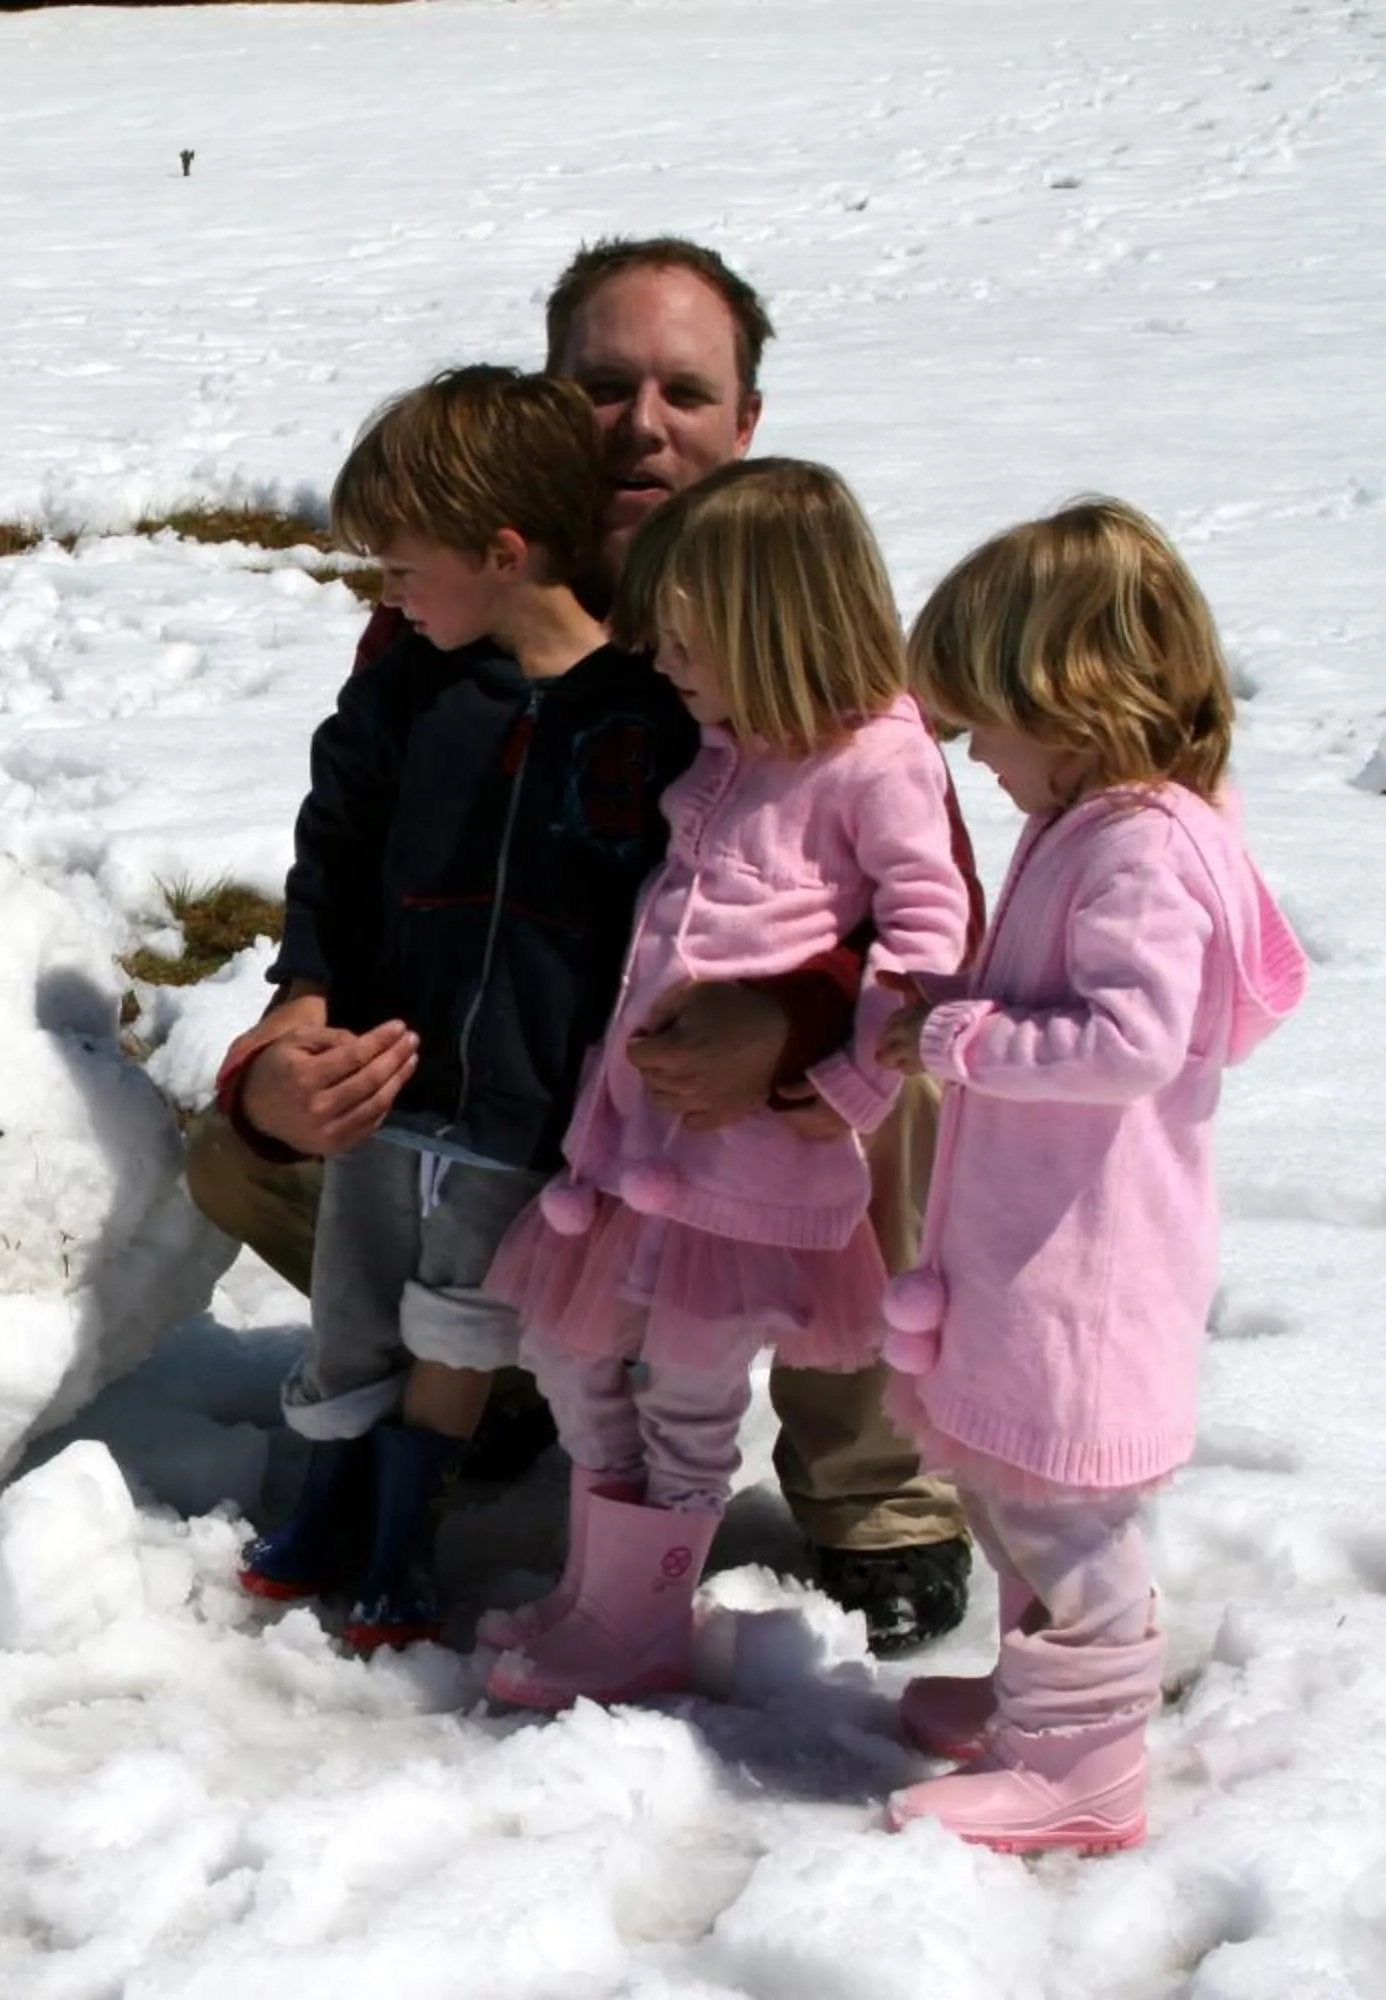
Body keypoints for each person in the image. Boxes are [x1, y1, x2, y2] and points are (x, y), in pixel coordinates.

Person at [202, 237, 979, 1654]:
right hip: (500, 1074)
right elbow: (355, 845)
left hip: (685, 1080)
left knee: (902, 1082)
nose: (641, 425)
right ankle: (490, 1393)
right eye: (604, 386)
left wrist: (795, 1024)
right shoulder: (440, 616)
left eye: (687, 392)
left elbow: (927, 913)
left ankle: (871, 1485)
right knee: (239, 1137)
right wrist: (294, 1024)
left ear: (747, 423)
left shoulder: (779, 629)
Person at [477, 459, 974, 1710]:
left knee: (690, 1391)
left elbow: (930, 932)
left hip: (747, 1152)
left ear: (771, 624)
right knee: (571, 1352)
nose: (664, 662)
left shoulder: (877, 757)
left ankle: (639, 1621)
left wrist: (856, 1076)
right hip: (633, 1137)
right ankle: (600, 1591)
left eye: (686, 641)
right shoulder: (725, 744)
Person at [229, 364, 702, 1653]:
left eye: (402, 567)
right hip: (386, 1071)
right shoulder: (411, 689)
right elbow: (333, 845)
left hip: (535, 1093)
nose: (386, 594)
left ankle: (402, 1531)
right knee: (356, 1294)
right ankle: (327, 1498)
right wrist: (308, 989)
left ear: (500, 552)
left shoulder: (646, 711)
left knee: (462, 1316)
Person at [879, 500, 1303, 1853]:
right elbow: (1057, 990)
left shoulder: (1140, 848)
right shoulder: (1093, 819)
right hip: (1033, 1239)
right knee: (1012, 1480)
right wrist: (961, 998)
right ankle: (1044, 1705)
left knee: (1062, 1507)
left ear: (1065, 697)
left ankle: (1086, 1771)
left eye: (983, 727)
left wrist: (962, 1037)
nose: (978, 759)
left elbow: (1128, 1040)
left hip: (1089, 1261)